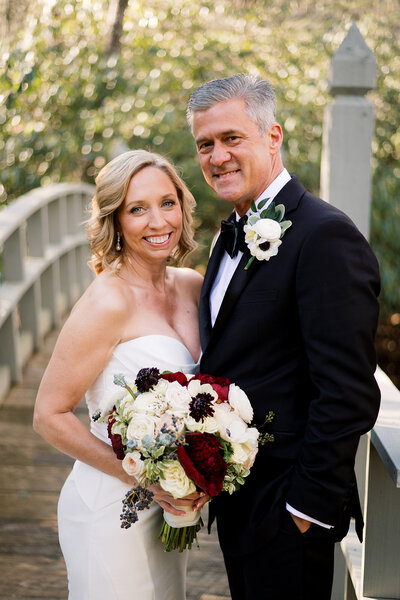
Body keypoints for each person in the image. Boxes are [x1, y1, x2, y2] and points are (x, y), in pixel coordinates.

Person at [187, 74, 381, 600]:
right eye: (205, 144)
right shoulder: (228, 235)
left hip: (288, 510)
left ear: (272, 138)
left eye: (232, 138)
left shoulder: (324, 236)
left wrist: (303, 510)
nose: (218, 156)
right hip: (239, 501)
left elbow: (348, 390)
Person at [33, 149, 206, 600]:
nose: (157, 222)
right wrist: (143, 478)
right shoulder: (106, 302)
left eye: (167, 203)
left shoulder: (192, 286)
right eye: (137, 209)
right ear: (115, 221)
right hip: (113, 506)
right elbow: (48, 414)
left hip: (172, 509)